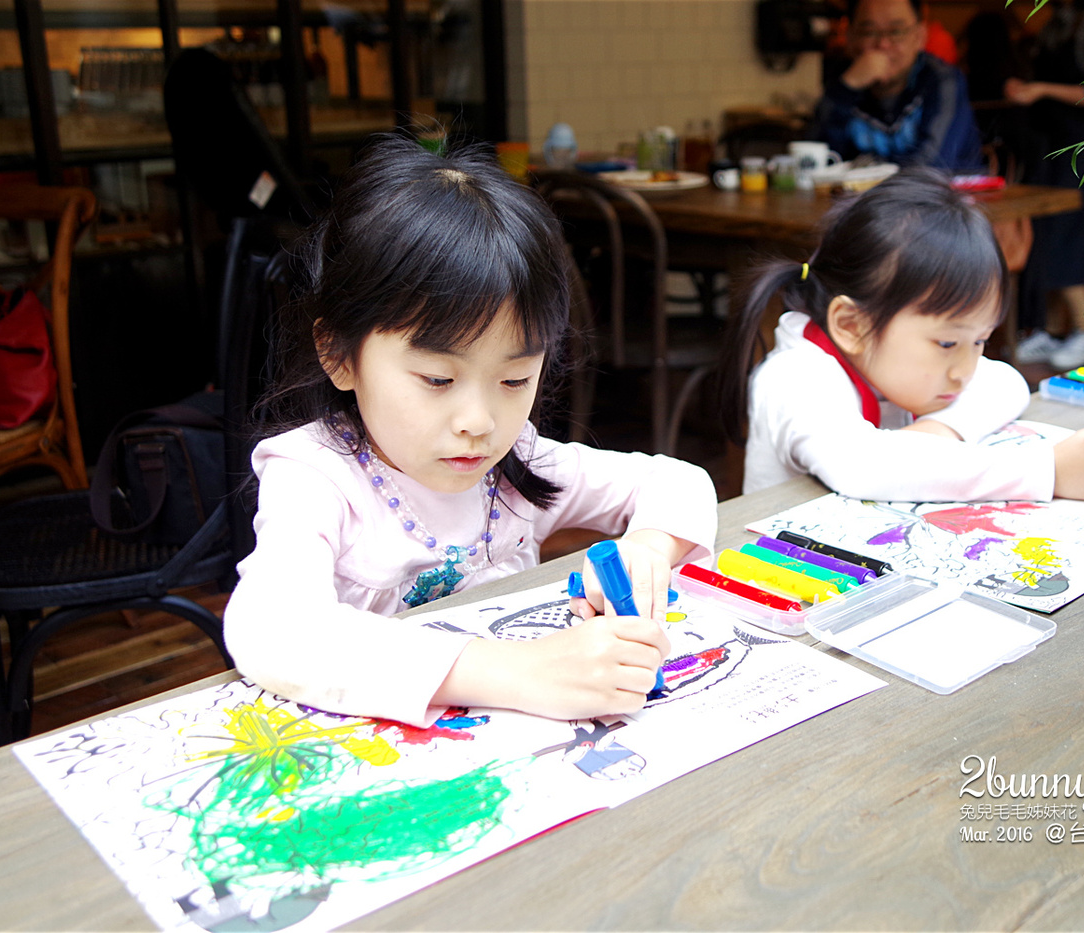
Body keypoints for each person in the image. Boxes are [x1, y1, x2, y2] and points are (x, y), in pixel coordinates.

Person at [224, 135, 718, 728]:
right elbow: (271, 631)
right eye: (437, 379)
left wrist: (648, 550)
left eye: (514, 380)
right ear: (339, 355)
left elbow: (679, 482)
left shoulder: (515, 466)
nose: (479, 423)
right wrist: (521, 672)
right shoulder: (317, 476)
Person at [719, 168, 1084, 501]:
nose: (964, 371)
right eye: (948, 344)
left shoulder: (898, 358)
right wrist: (1048, 470)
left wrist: (939, 431)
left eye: (981, 341)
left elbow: (1006, 382)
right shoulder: (795, 377)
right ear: (851, 325)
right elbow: (866, 469)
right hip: (792, 585)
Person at [1005, 0, 1084, 371]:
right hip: (1052, 146)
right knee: (1043, 237)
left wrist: (1041, 89)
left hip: (1083, 152)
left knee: (1065, 238)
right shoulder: (1060, 20)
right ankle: (1050, 331)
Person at [814, 0, 984, 172]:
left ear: (920, 36)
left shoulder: (944, 81)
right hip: (862, 198)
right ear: (850, 37)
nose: (883, 44)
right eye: (869, 32)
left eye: (896, 31)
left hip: (944, 198)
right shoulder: (841, 82)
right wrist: (847, 88)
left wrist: (863, 171)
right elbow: (815, 161)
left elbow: (933, 164)